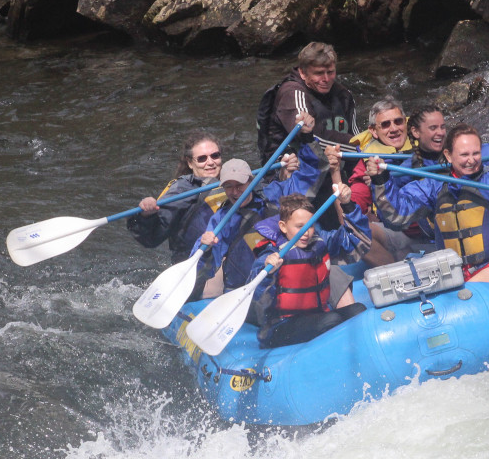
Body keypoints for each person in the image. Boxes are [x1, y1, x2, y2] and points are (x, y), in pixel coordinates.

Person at [366, 123, 489, 284]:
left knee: (471, 291)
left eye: (476, 153)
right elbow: (396, 217)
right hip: (454, 273)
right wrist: (381, 180)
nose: (471, 160)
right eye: (464, 154)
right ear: (448, 155)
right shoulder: (434, 185)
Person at [195, 117, 322, 295]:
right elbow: (205, 270)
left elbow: (311, 174)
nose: (235, 192)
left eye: (240, 185)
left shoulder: (275, 194)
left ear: (251, 182)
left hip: (287, 277)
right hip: (247, 289)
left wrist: (308, 138)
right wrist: (205, 249)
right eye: (228, 186)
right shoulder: (221, 220)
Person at [247, 192, 369, 348]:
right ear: (283, 227)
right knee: (331, 321)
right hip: (279, 327)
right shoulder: (272, 256)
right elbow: (254, 295)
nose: (306, 233)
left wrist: (348, 205)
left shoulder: (320, 242)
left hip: (316, 317)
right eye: (299, 227)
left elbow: (359, 243)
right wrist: (268, 273)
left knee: (358, 310)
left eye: (310, 225)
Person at [127, 131, 228, 264]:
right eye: (202, 158)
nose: (210, 162)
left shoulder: (237, 182)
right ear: (190, 163)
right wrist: (147, 215)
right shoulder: (183, 189)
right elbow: (151, 238)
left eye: (215, 156)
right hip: (193, 263)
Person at [258, 42, 359, 163]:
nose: (326, 79)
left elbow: (356, 135)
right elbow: (313, 138)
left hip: (332, 159)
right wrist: (360, 150)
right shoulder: (292, 94)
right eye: (319, 73)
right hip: (290, 164)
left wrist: (367, 147)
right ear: (302, 73)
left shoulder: (344, 95)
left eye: (330, 72)